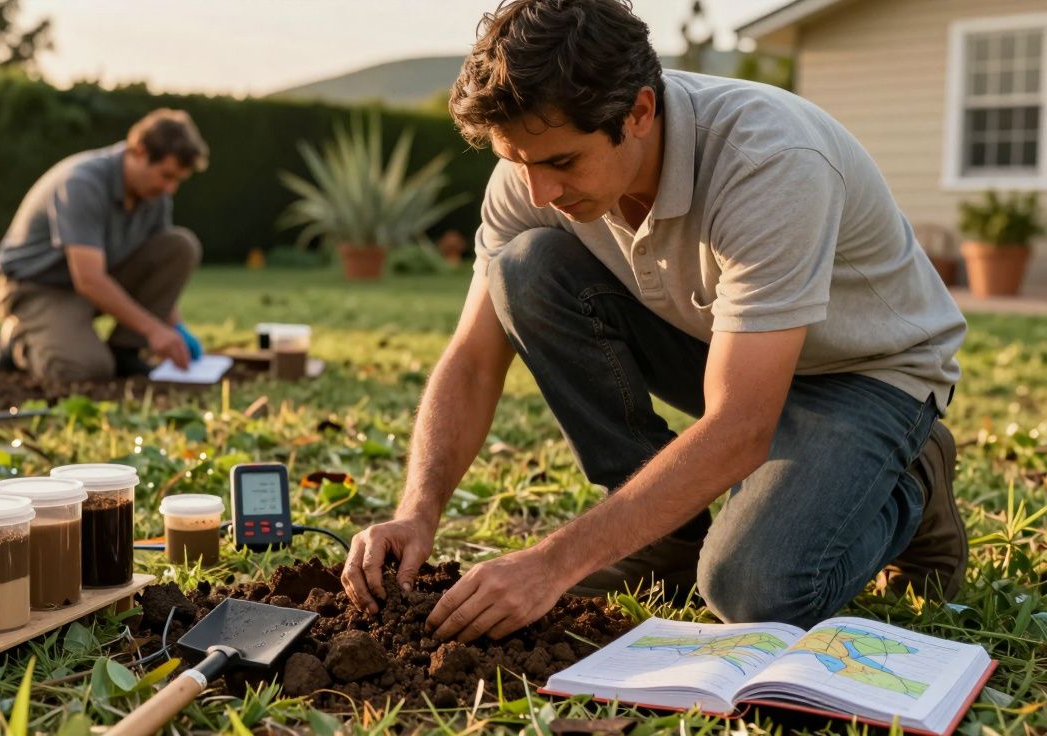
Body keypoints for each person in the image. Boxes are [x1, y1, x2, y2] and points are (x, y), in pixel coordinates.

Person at [340, 0, 968, 643]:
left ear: (639, 112)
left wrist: (552, 564)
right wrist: (417, 513)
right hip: (723, 348)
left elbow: (741, 425)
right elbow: (473, 360)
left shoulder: (770, 160)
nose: (538, 191)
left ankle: (911, 480)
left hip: (862, 374)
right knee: (523, 266)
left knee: (754, 590)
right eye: (517, 160)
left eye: (560, 162)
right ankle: (665, 536)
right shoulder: (531, 171)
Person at [0, 108, 208, 381]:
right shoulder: (82, 183)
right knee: (83, 369)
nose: (170, 188)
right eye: (166, 175)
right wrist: (153, 330)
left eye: (177, 180)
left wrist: (176, 327)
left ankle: (126, 351)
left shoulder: (154, 197)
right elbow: (89, 279)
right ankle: (18, 343)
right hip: (37, 287)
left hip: (93, 282)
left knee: (180, 246)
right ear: (139, 152)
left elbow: (158, 267)